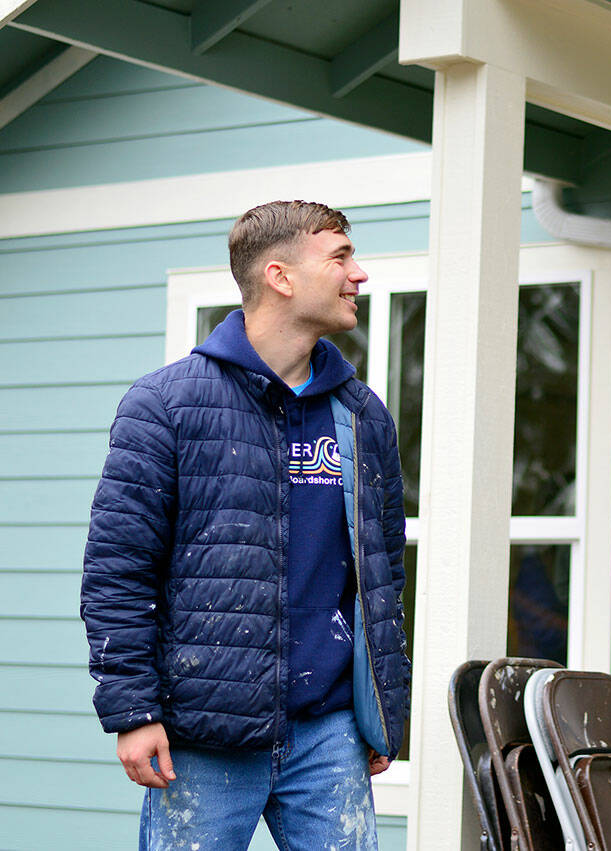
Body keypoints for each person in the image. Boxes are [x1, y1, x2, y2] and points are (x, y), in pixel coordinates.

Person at [81, 200, 410, 850]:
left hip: (330, 732)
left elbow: (383, 575)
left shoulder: (362, 416)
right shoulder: (165, 406)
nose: (360, 274)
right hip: (203, 735)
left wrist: (382, 711)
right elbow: (117, 571)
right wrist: (133, 710)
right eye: (341, 257)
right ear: (281, 276)